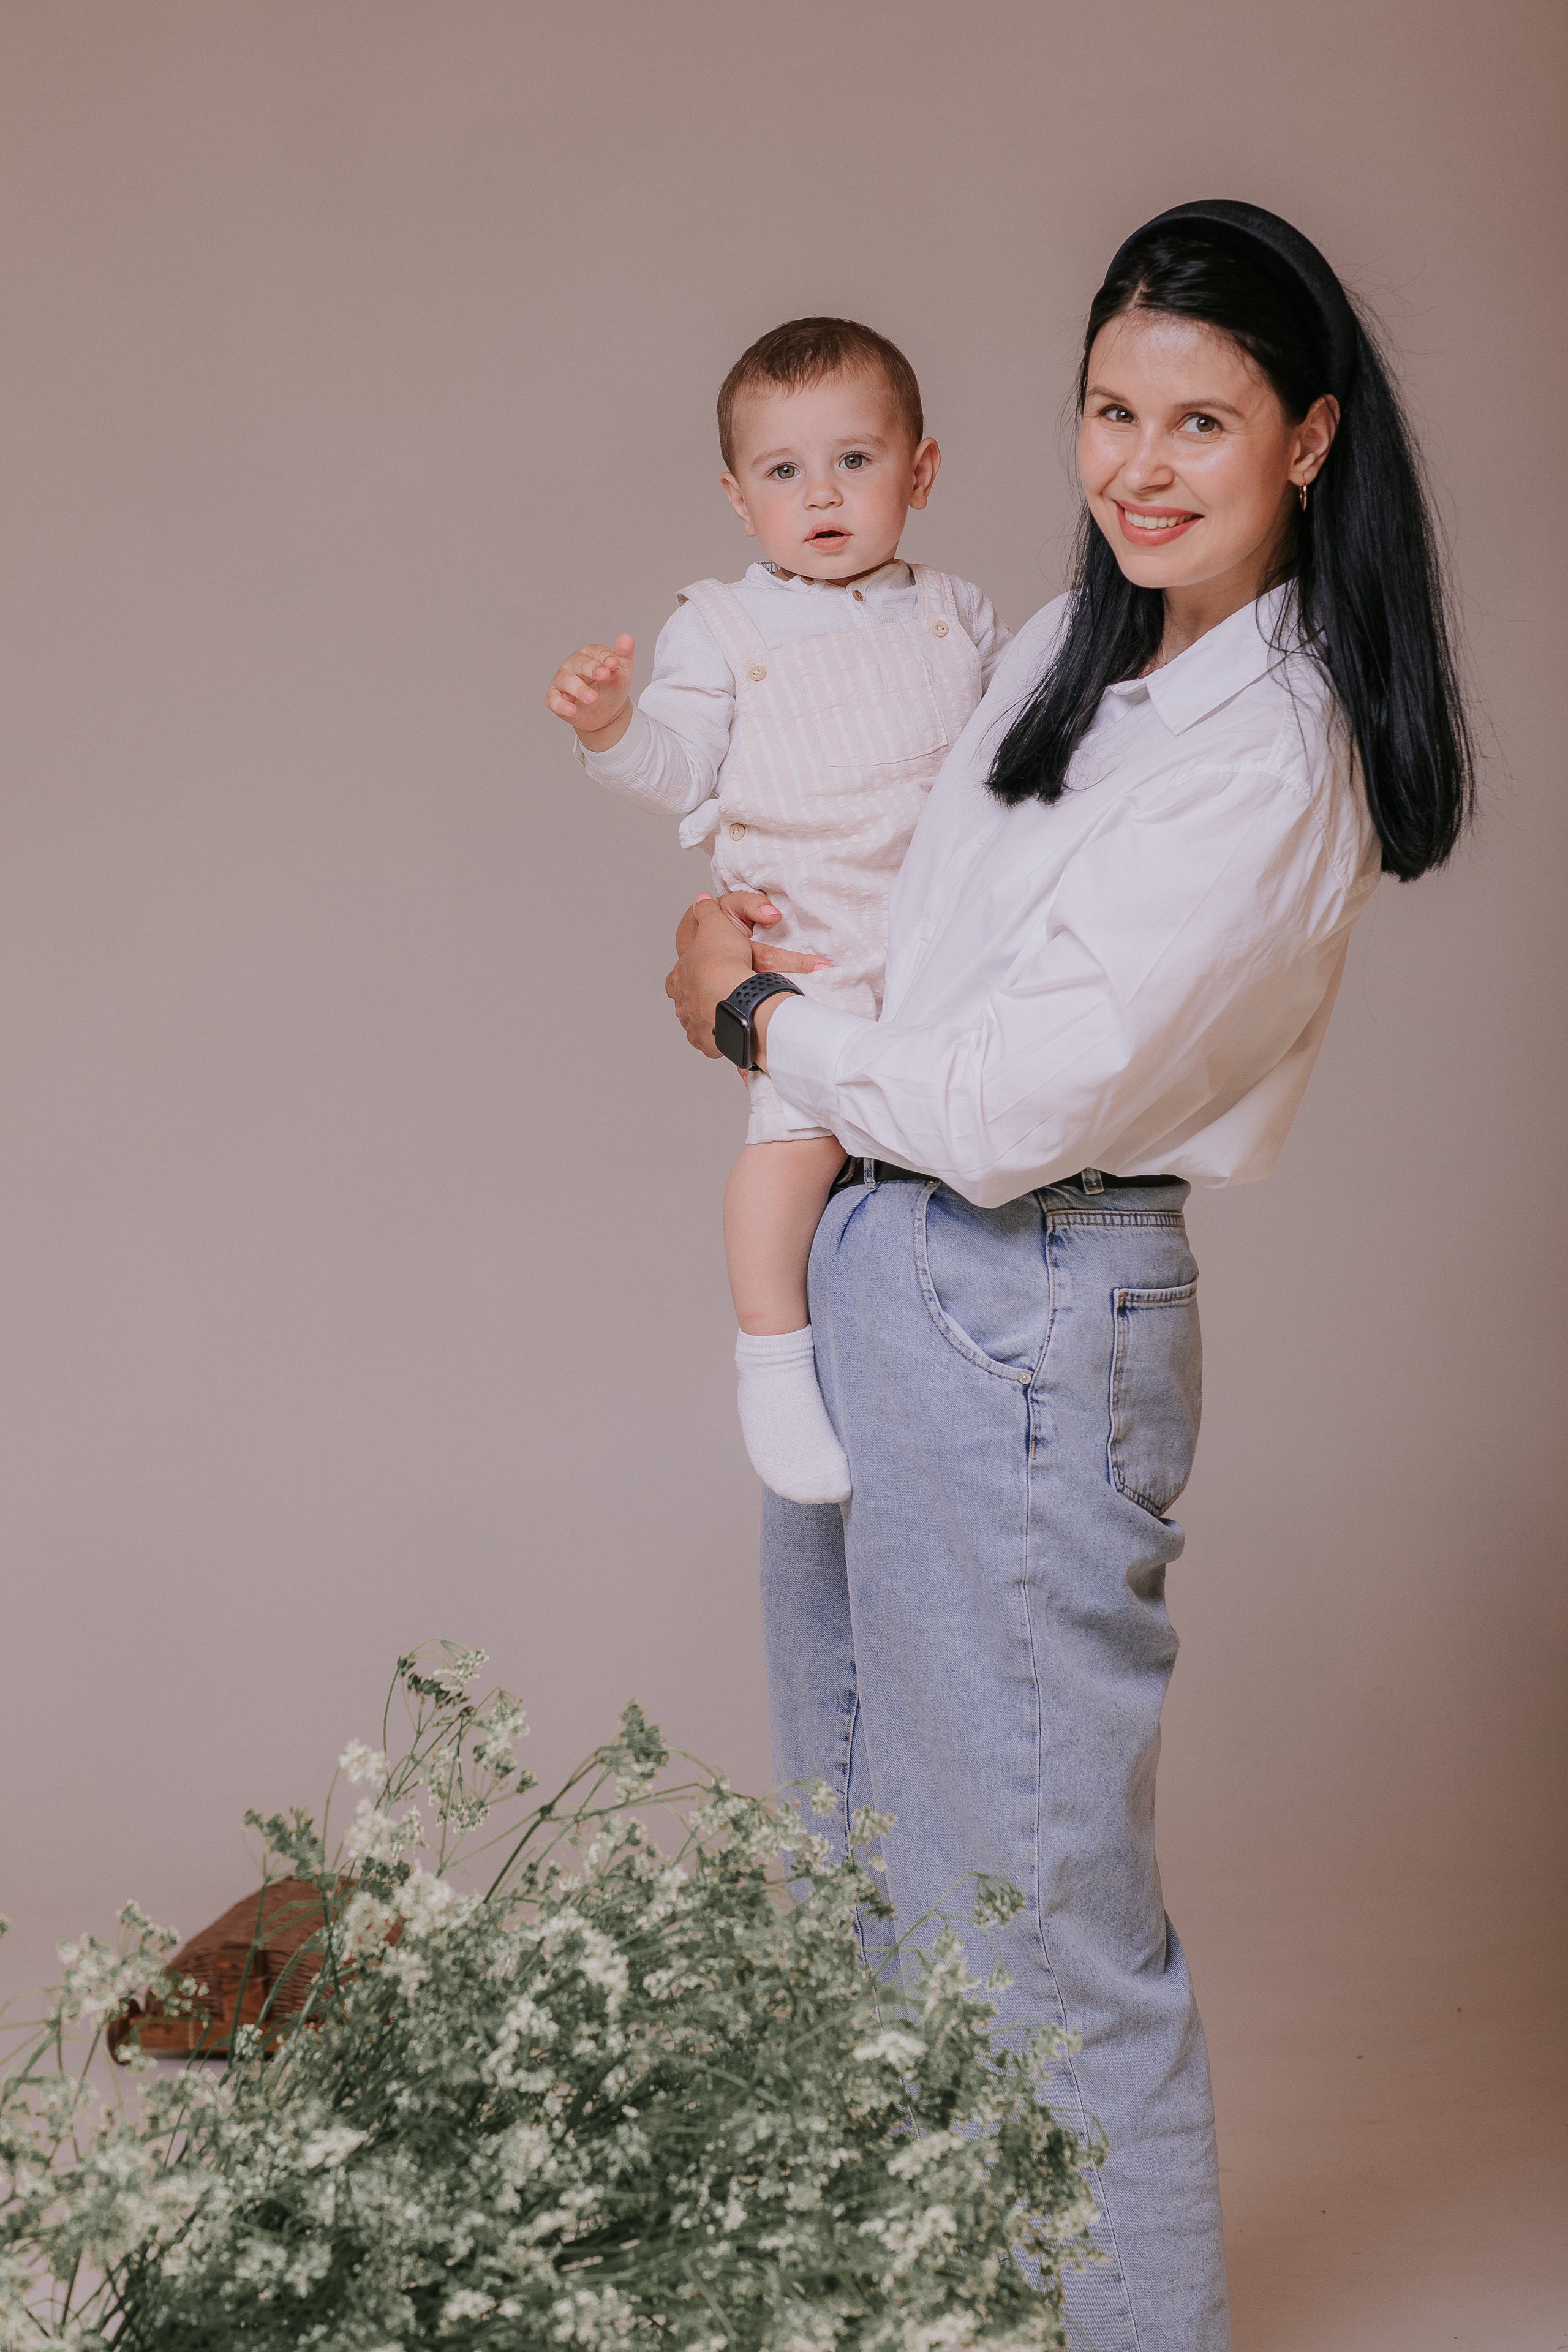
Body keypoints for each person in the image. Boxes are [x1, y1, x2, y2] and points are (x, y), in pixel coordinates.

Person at [667, 202, 1474, 2352]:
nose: (1140, 462)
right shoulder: (1051, 653)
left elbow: (1019, 1099)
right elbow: (881, 913)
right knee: (870, 1866)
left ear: (1309, 439)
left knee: (1037, 1914)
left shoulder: (1276, 743)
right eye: (1112, 409)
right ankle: (925, 2311)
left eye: (1200, 420)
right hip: (880, 1251)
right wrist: (747, 922)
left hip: (1030, 1293)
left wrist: (754, 1020)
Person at [545, 318, 1009, 1505]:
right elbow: (679, 770)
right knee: (793, 1148)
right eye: (784, 471)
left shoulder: (957, 611)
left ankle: (952, 1347)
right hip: (811, 929)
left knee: (965, 1133)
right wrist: (611, 726)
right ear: (738, 498)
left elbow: (1012, 762)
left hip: (945, 931)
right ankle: (772, 1357)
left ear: (919, 471)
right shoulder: (722, 626)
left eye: (855, 461)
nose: (822, 495)